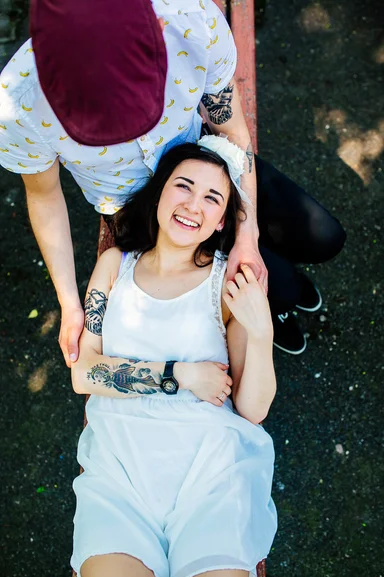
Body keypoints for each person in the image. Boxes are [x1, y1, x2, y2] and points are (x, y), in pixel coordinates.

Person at [0, 0, 345, 359]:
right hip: (137, 211)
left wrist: (247, 232)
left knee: (325, 238)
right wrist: (69, 301)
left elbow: (229, 127)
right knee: (282, 289)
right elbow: (43, 197)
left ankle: (282, 295)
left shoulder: (192, 19)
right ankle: (282, 304)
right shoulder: (18, 103)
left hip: (207, 164)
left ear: (156, 29)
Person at [69, 137, 277, 577]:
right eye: (183, 186)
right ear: (160, 191)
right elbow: (84, 373)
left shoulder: (226, 280)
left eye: (212, 198)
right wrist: (179, 374)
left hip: (210, 479)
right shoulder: (114, 266)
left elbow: (254, 408)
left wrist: (261, 334)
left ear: (222, 220)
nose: (193, 206)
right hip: (121, 478)